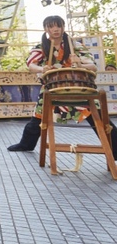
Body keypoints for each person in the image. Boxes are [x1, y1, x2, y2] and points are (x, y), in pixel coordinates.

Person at [7, 15, 117, 157]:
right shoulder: (41, 47)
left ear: (63, 27)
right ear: (46, 29)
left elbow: (93, 67)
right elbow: (31, 65)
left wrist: (79, 63)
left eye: (58, 26)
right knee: (39, 115)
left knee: (98, 116)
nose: (55, 29)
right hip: (52, 87)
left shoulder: (74, 46)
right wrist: (42, 69)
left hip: (79, 86)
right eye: (51, 26)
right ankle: (26, 144)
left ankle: (115, 147)